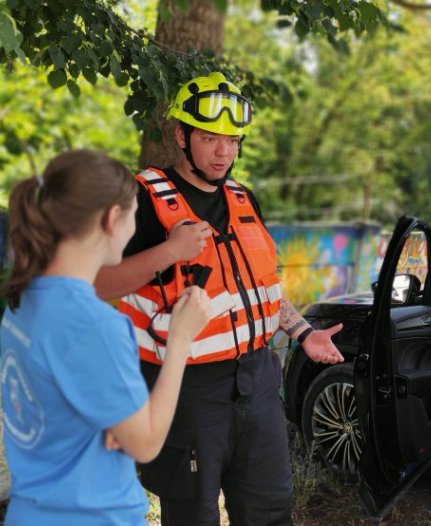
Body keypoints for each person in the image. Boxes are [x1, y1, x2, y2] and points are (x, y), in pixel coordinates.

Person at [94, 72, 344, 526]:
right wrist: (169, 251)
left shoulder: (245, 198)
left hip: (258, 381)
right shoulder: (142, 198)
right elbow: (98, 284)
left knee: (270, 512)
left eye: (232, 139)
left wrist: (302, 331)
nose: (223, 151)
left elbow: (258, 286)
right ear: (181, 136)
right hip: (187, 391)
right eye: (210, 137)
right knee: (192, 516)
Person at [0, 150, 211, 525]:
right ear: (113, 218)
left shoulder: (23, 299)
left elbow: (61, 400)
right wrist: (180, 339)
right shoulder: (93, 325)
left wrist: (116, 424)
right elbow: (144, 443)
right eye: (133, 214)